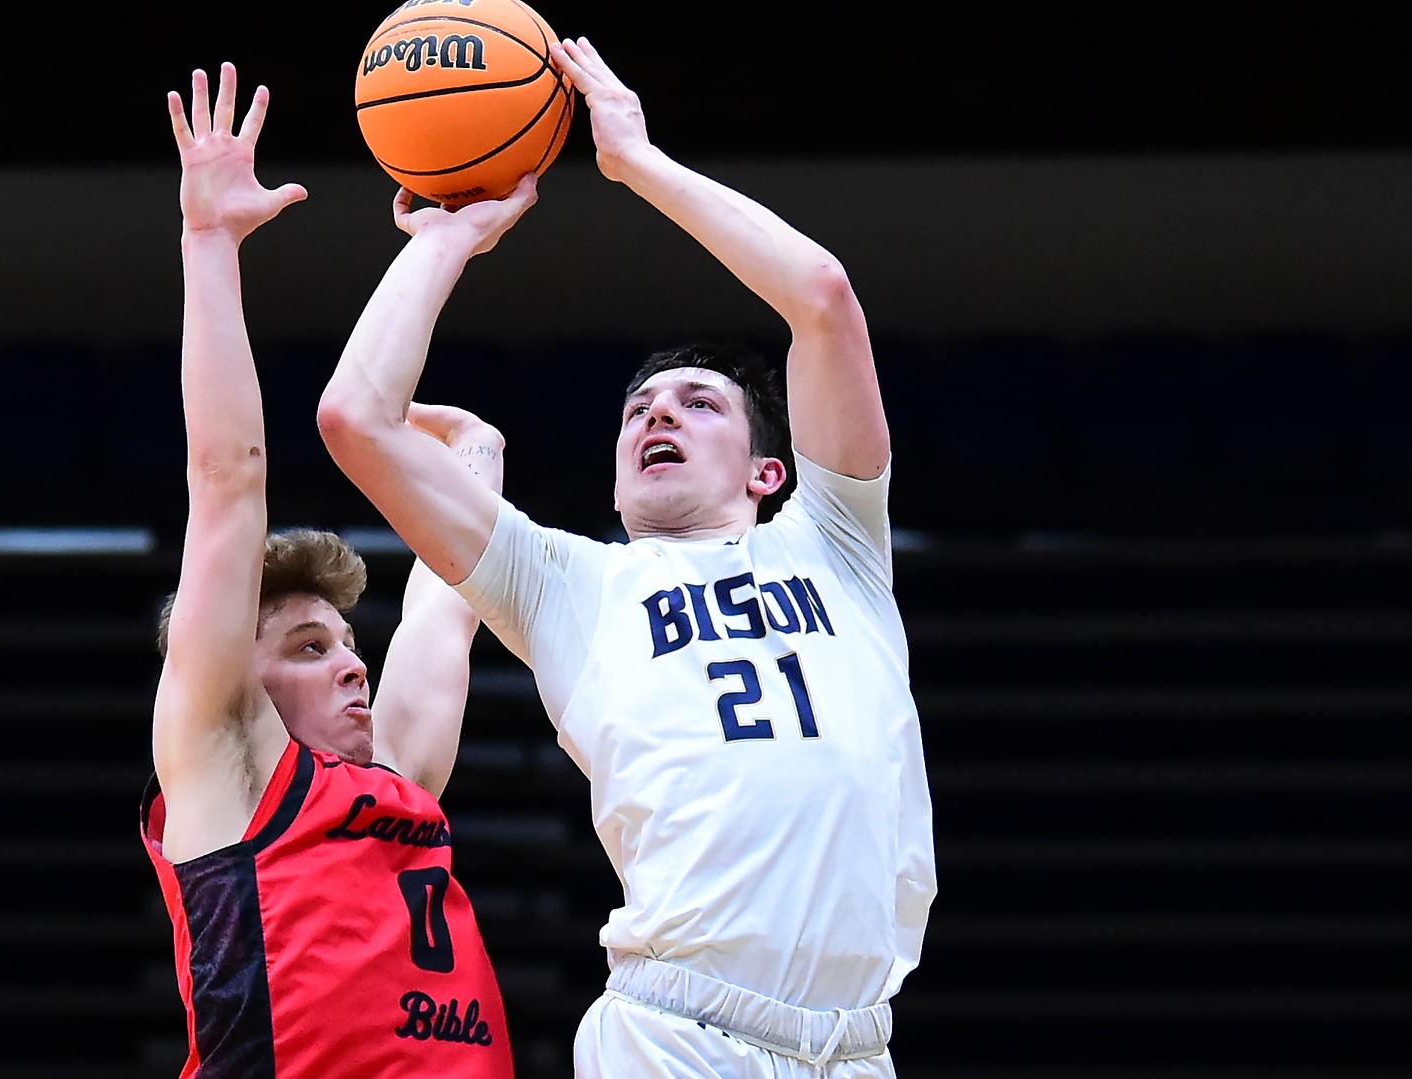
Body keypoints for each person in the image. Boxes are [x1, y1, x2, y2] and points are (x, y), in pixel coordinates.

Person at [315, 35, 935, 1079]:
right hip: (673, 1033)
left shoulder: (835, 543)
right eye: (639, 407)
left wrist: (637, 162)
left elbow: (821, 295)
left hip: (857, 1044)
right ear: (613, 483)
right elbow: (352, 418)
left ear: (768, 472)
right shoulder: (567, 582)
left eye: (699, 404)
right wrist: (446, 241)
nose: (660, 413)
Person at [140, 62, 516, 1078]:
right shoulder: (226, 766)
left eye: (348, 643)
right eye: (311, 645)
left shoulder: (391, 774)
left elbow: (449, 606)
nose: (355, 665)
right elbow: (226, 480)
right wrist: (209, 243)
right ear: (235, 674)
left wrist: (476, 451)